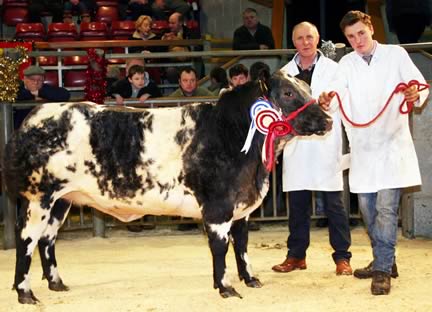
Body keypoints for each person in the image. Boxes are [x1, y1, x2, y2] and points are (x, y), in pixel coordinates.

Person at [318, 11, 429, 295]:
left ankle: (381, 270)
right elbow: (335, 93)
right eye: (351, 37)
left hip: (392, 144)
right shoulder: (346, 63)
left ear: (371, 28)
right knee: (367, 209)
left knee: (386, 210)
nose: (357, 41)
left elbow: (417, 84)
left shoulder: (396, 54)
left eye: (361, 34)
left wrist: (415, 94)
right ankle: (387, 258)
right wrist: (326, 98)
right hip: (364, 149)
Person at [271, 22, 352, 277]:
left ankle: (342, 257)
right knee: (297, 204)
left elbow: (341, 97)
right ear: (293, 41)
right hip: (296, 145)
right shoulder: (283, 73)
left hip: (326, 143)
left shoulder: (334, 69)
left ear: (318, 39)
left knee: (334, 205)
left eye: (310, 37)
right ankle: (296, 255)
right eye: (300, 38)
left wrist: (330, 102)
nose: (305, 42)